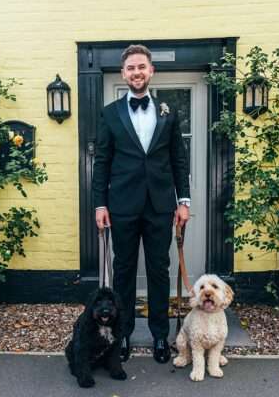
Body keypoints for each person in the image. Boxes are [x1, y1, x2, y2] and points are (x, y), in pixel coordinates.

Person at [92, 44, 190, 364]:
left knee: (159, 270)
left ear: (151, 71)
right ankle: (122, 336)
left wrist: (183, 200)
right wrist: (100, 205)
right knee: (123, 271)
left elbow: (178, 158)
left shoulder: (169, 111)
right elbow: (102, 162)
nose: (136, 72)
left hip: (160, 206)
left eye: (141, 67)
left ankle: (160, 335)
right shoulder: (110, 113)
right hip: (122, 205)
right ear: (124, 74)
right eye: (131, 68)